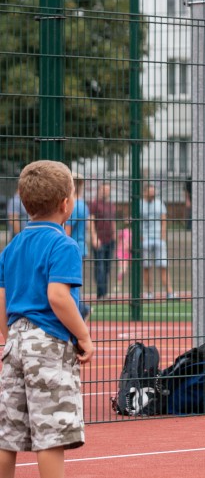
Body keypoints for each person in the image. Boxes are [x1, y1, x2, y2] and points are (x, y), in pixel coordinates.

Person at [0, 160, 93, 478]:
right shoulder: (63, 245)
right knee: (51, 434)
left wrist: (9, 335)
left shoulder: (11, 248)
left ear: (25, 203)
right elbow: (57, 296)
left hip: (14, 341)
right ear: (67, 203)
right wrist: (83, 336)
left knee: (7, 433)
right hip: (48, 344)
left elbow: (2, 300)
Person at [139, 184, 175, 300]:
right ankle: (149, 292)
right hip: (145, 238)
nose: (152, 194)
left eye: (153, 192)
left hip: (158, 238)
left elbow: (163, 220)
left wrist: (162, 236)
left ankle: (169, 292)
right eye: (150, 192)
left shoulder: (159, 203)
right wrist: (140, 236)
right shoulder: (139, 204)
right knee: (146, 266)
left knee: (163, 265)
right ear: (145, 192)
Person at [89, 183, 117, 300]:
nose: (106, 192)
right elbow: (90, 221)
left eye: (108, 190)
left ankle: (105, 292)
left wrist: (115, 233)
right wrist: (94, 237)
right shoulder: (94, 204)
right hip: (99, 239)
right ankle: (101, 293)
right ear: (99, 190)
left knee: (107, 267)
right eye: (104, 190)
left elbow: (113, 220)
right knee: (99, 266)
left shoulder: (111, 205)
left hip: (110, 239)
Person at [64, 176, 88, 260]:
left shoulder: (74, 206)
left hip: (72, 249)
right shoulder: (83, 204)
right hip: (81, 247)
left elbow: (67, 232)